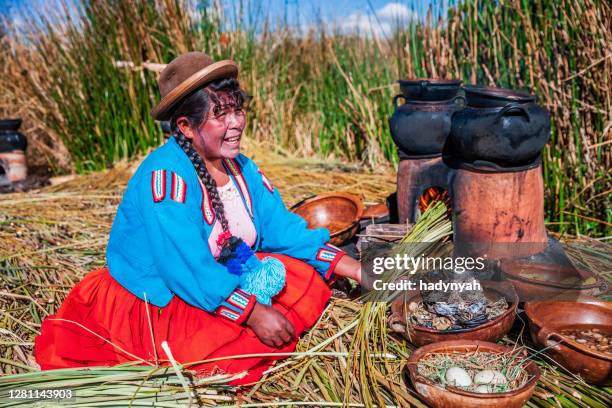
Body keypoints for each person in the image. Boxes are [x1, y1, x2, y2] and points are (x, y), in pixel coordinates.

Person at [34, 52, 361, 385]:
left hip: (218, 275)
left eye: (238, 109)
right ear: (186, 127)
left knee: (302, 277)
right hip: (164, 295)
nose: (236, 123)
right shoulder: (166, 179)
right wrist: (252, 312)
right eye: (220, 114)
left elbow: (282, 229)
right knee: (239, 352)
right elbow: (185, 266)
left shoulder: (242, 168)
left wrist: (356, 269)